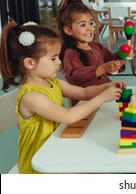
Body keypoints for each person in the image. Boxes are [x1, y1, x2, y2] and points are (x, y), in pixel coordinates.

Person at [0, 22, 125, 173]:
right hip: (39, 162)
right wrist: (101, 98)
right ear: (30, 63)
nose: (59, 62)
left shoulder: (54, 83)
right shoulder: (31, 97)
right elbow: (67, 117)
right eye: (53, 59)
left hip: (58, 148)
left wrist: (104, 87)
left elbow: (83, 93)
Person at [55, 0, 127, 106]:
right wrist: (102, 68)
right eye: (83, 25)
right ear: (68, 30)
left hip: (105, 99)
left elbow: (111, 61)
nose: (89, 28)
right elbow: (76, 77)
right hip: (86, 105)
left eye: (91, 23)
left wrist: (123, 55)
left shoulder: (96, 46)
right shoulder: (71, 53)